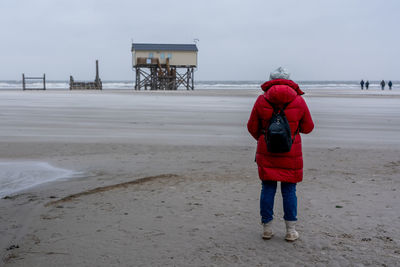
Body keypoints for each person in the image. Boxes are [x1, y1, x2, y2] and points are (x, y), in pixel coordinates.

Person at [247, 67, 314, 242]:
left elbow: (252, 127)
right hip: (291, 152)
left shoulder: (262, 100)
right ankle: (291, 231)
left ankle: (267, 229)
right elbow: (308, 128)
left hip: (267, 151)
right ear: (289, 80)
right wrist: (292, 132)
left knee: (267, 189)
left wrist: (263, 139)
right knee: (289, 190)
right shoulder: (298, 100)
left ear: (270, 80)